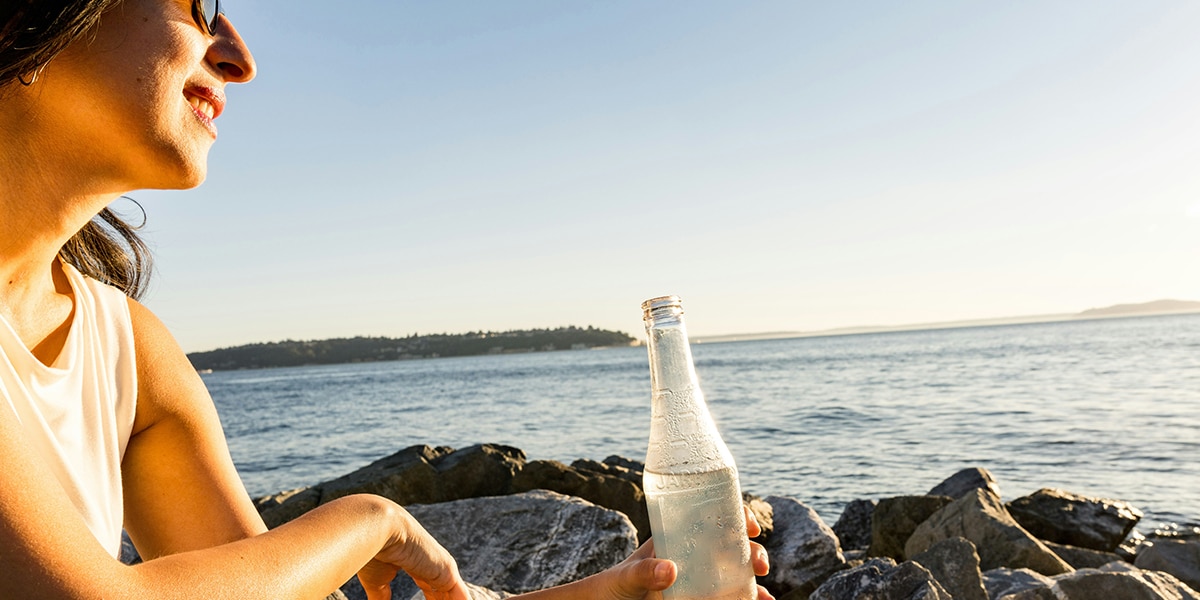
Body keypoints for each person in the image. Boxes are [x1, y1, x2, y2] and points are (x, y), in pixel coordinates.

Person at [0, 1, 773, 598]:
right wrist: (369, 519)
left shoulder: (124, 346)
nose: (238, 58)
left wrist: (608, 592)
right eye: (199, 4)